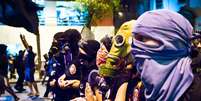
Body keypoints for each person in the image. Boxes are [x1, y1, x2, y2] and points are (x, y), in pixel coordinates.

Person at [131, 9, 200, 100]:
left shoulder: (196, 92)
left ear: (171, 42)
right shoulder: (144, 90)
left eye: (142, 38)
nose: (135, 47)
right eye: (134, 40)